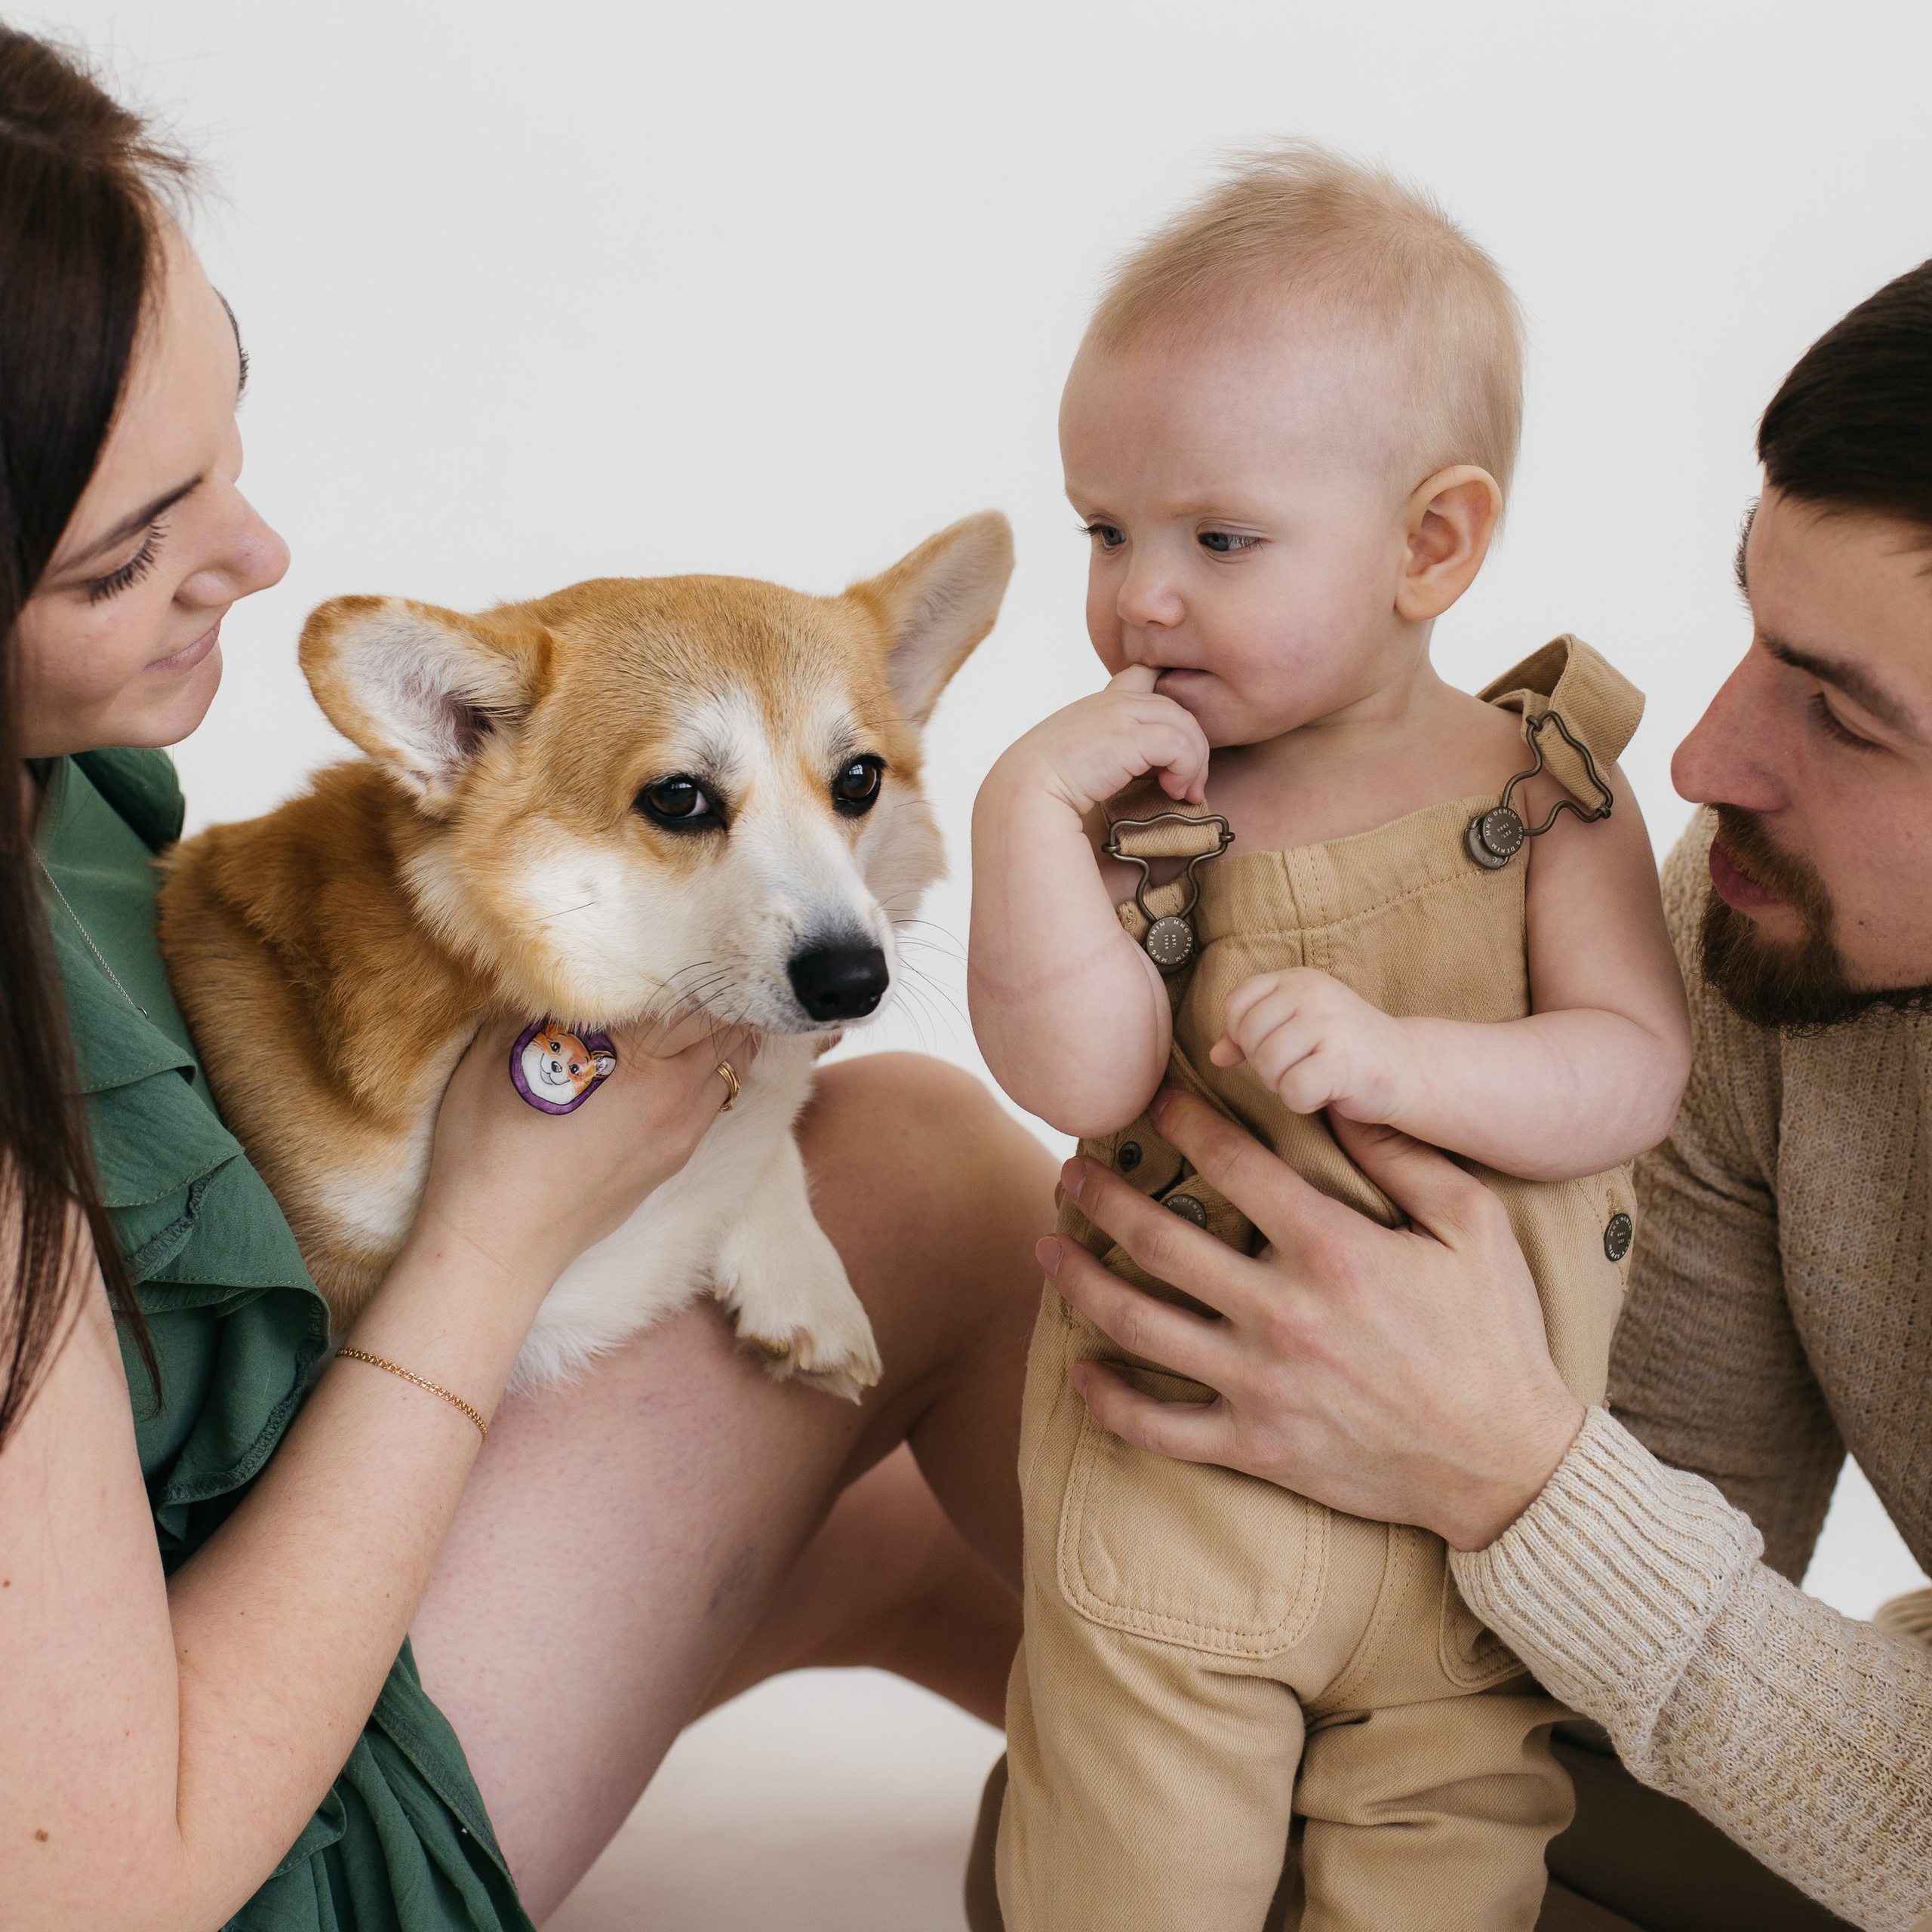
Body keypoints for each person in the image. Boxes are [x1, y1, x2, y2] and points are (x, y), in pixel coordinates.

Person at [0, 29, 1051, 1930]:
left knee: (878, 1506)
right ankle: (1374, 1788)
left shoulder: (45, 779)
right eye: (128, 554)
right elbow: (101, 1884)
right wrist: (493, 1234)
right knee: (939, 1181)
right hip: (232, 1857)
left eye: (229, 423)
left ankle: (1340, 1760)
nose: (254, 548)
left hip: (190, 1614)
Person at [1002, 260, 1932, 1930]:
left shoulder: (1562, 825)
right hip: (1259, 1562)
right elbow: (1642, 1550)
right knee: (1118, 1832)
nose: (1705, 762)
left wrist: (1506, 1464)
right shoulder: (1774, 918)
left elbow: (1557, 1501)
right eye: (1753, 632)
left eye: (1847, 720)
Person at [968, 144, 1691, 1931]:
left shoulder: (1540, 797)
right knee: (1125, 1880)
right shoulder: (1143, 798)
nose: (1139, 596)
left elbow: (1630, 1064)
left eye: (1217, 538)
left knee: (1449, 1869)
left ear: (1428, 544)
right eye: (1103, 529)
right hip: (1177, 1509)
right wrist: (1016, 819)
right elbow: (1076, 1077)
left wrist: (1404, 1061)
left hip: (1477, 1558)